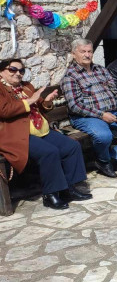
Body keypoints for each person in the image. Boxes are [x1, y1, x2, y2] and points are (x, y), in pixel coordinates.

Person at [0, 59, 92, 209]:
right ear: (2, 71)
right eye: (13, 69)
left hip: (41, 130)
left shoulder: (26, 86)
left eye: (21, 70)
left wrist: (47, 102)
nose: (18, 73)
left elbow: (40, 107)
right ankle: (51, 194)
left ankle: (70, 188)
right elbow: (4, 111)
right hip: (18, 135)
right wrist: (30, 100)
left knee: (71, 146)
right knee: (49, 152)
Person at [61, 39, 117, 179]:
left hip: (113, 112)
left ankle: (112, 159)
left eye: (89, 51)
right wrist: (101, 115)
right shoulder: (70, 76)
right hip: (87, 117)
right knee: (104, 136)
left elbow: (116, 92)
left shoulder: (101, 70)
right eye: (83, 51)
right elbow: (75, 105)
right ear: (73, 54)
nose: (87, 55)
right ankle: (103, 161)